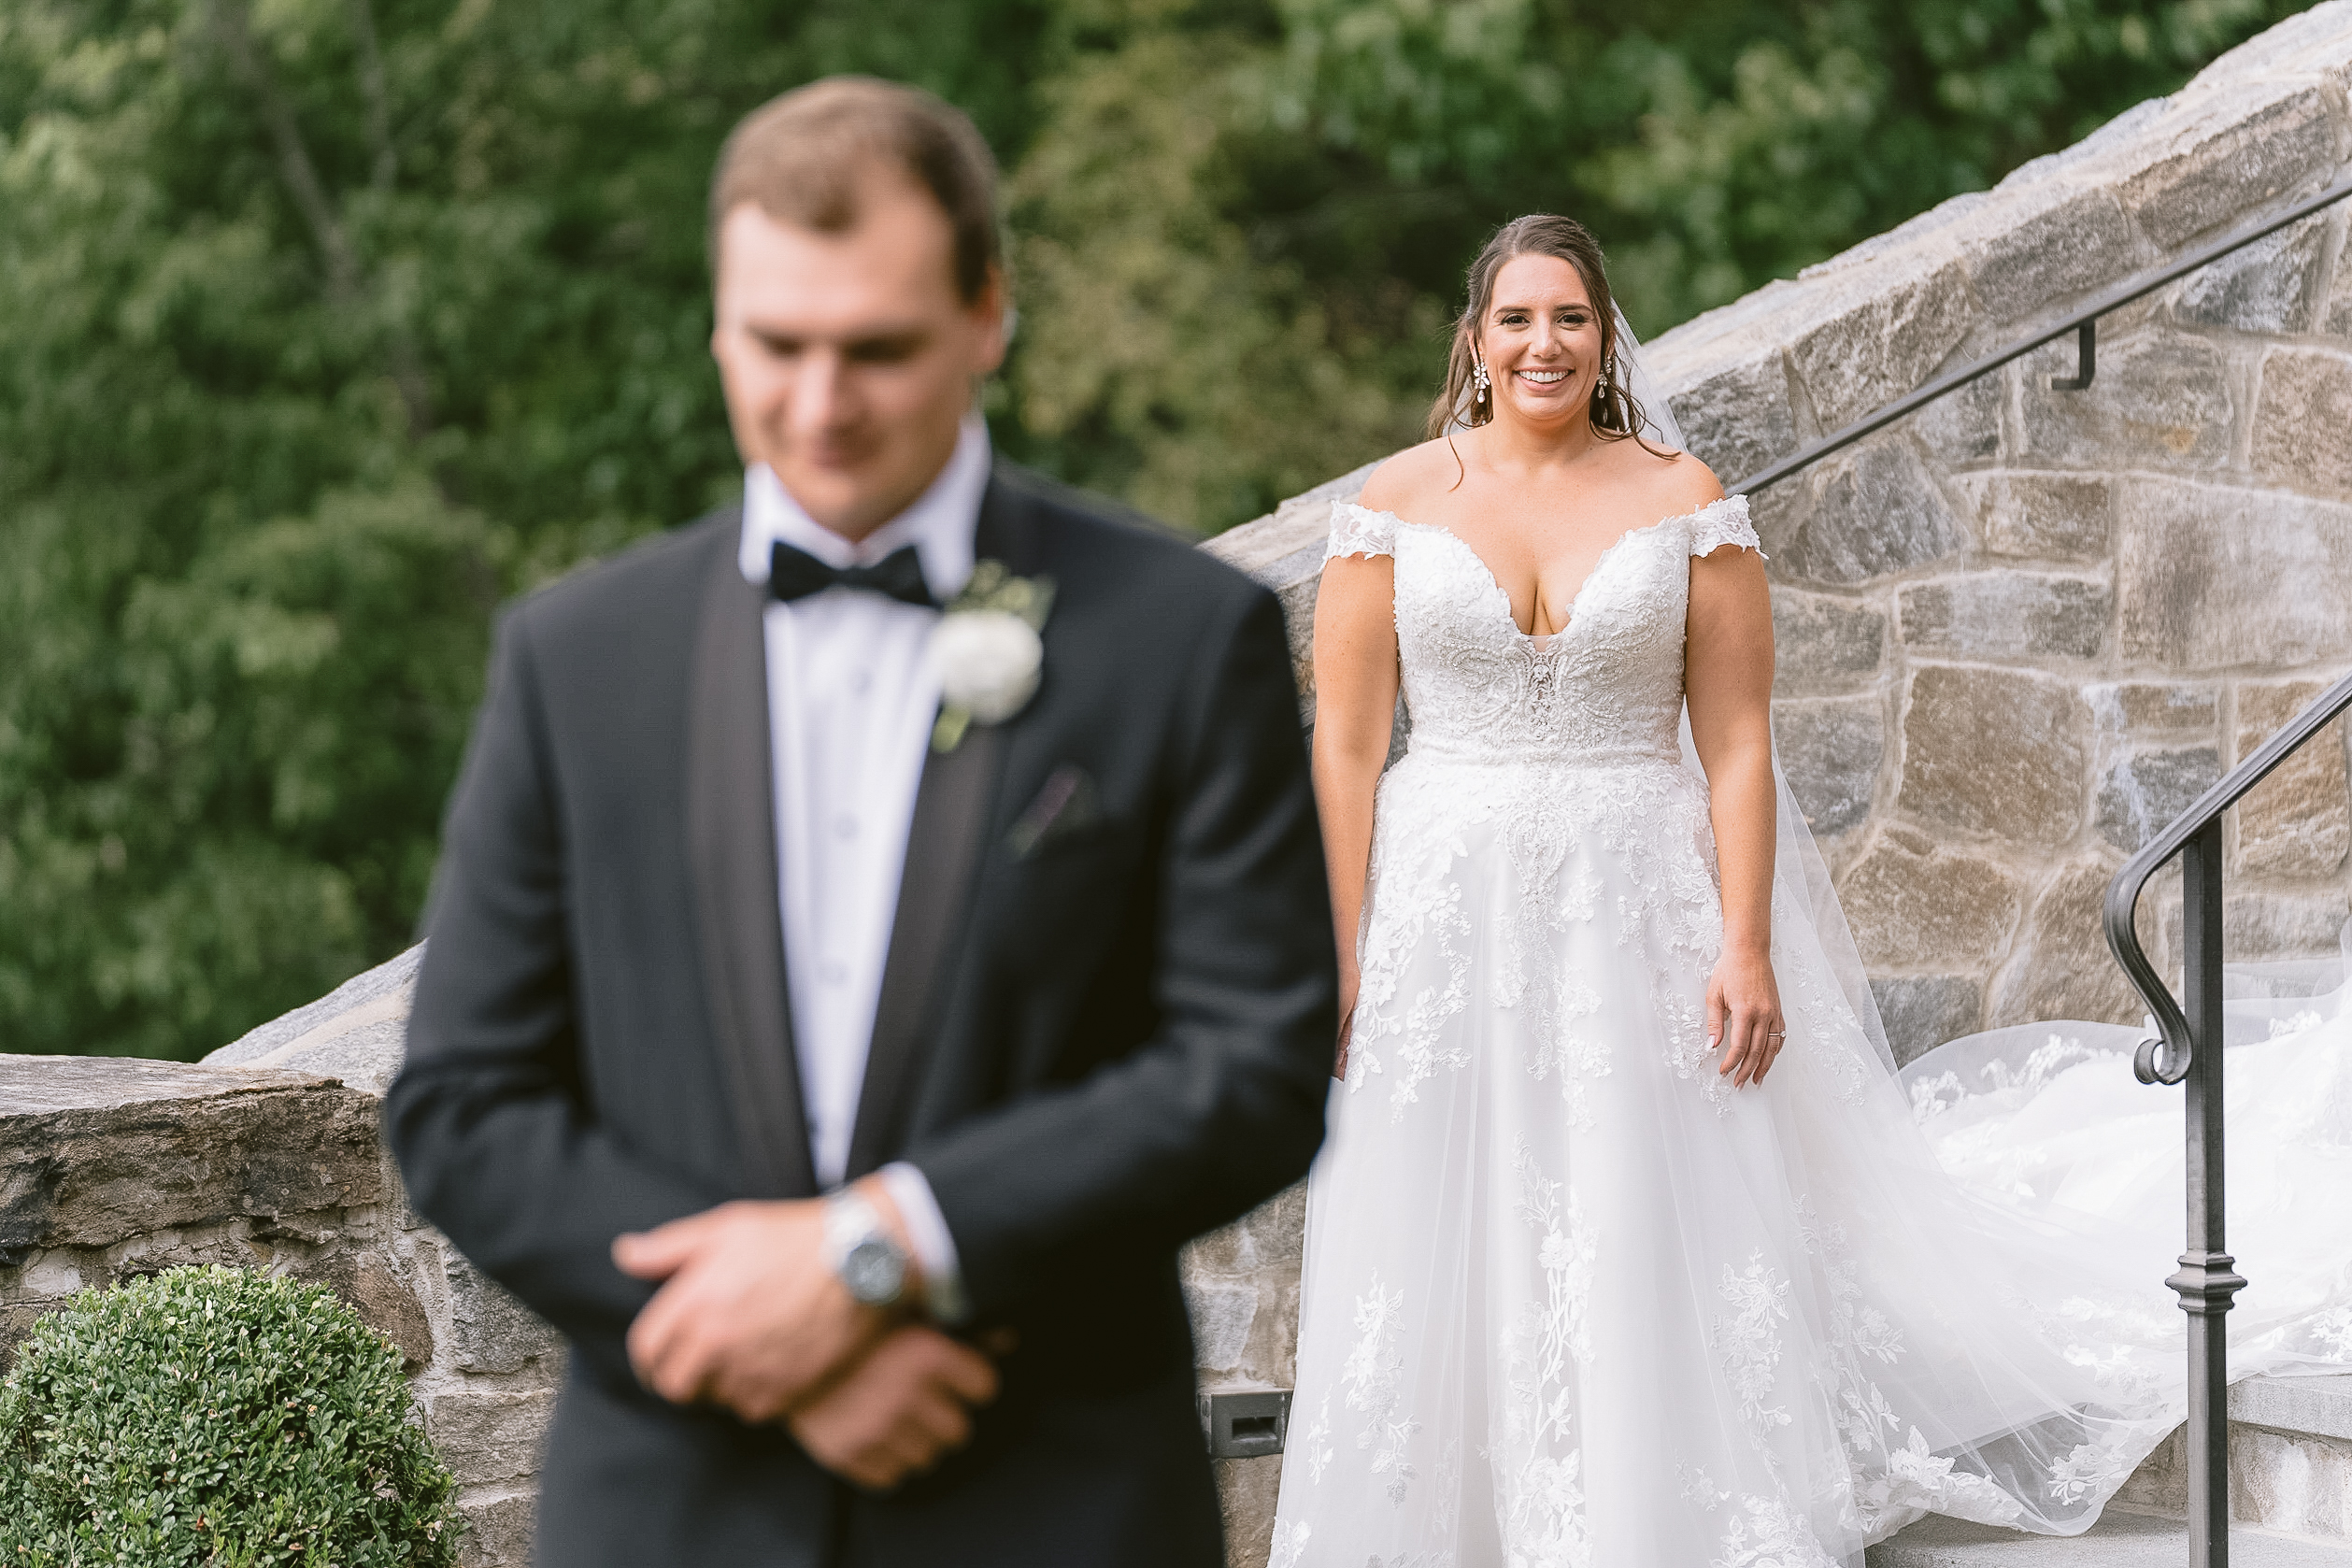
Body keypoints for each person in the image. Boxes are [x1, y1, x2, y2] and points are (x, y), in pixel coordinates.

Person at [1270, 213, 2352, 1567]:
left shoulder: (1684, 500)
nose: (1544, 344)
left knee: (1629, 1198)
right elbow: (1347, 747)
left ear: (1604, 337)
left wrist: (1744, 943)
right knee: (1440, 1205)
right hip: (1446, 913)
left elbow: (1734, 744)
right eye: (1517, 318)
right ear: (1473, 340)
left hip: (1637, 906)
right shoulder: (1391, 508)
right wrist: (1338, 950)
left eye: (1571, 317)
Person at [386, 77, 1336, 1567]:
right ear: (718, 323)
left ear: (986, 314)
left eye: (877, 348)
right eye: (776, 345)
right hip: (674, 1513)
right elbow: (464, 1101)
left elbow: (1252, 1063)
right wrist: (767, 1344)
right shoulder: (576, 660)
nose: (821, 405)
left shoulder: (1178, 635)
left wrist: (881, 1250)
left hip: (1051, 1503)